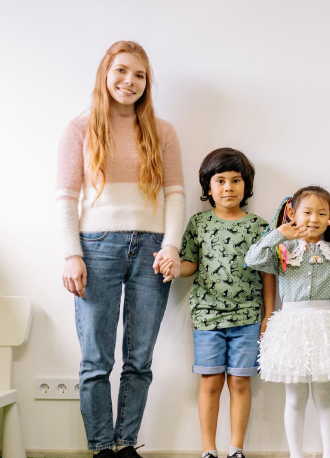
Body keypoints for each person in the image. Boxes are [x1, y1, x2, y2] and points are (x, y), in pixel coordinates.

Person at [56, 41, 184, 458]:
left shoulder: (162, 131)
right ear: (105, 74)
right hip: (96, 247)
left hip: (152, 248)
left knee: (139, 358)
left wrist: (171, 245)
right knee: (96, 360)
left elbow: (175, 194)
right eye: (122, 71)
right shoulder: (80, 129)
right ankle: (101, 448)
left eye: (140, 75)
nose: (130, 81)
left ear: (147, 83)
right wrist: (71, 253)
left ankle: (126, 443)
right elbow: (65, 198)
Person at [157, 148, 274, 458]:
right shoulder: (198, 223)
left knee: (239, 382)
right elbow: (190, 263)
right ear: (208, 187)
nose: (228, 187)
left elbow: (267, 274)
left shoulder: (259, 227)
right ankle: (208, 450)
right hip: (207, 318)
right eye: (220, 181)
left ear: (246, 186)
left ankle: (236, 449)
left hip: (248, 317)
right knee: (210, 383)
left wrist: (269, 314)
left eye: (236, 180)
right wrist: (173, 267)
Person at [244, 186, 330, 458]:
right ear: (292, 213)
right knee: (295, 398)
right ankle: (296, 455)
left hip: (324, 325)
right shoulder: (283, 249)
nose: (314, 219)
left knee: (325, 398)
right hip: (291, 325)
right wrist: (277, 235)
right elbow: (252, 260)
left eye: (322, 213)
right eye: (307, 212)